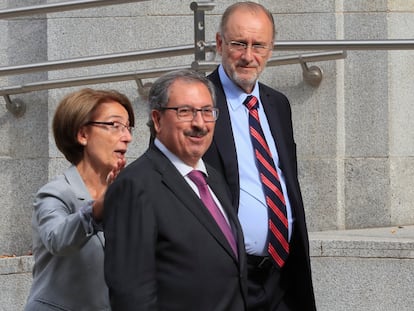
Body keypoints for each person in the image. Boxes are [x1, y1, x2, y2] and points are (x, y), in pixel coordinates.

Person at [203, 2, 317, 311]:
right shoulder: (194, 101)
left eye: (259, 45)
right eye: (239, 43)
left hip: (282, 277)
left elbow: (282, 180)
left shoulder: (277, 104)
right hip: (225, 278)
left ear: (271, 48)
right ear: (219, 44)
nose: (248, 56)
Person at [103, 69, 247, 311]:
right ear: (157, 120)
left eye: (207, 112)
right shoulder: (135, 186)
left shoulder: (214, 179)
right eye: (185, 112)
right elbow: (131, 296)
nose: (200, 124)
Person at [24, 88, 134, 311]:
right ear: (83, 135)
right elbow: (57, 239)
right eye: (115, 126)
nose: (127, 137)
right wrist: (97, 209)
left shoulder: (125, 192)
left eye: (128, 127)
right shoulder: (55, 192)